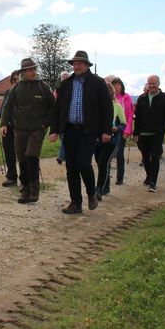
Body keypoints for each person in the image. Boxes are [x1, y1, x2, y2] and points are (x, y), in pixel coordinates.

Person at [49, 51, 113, 214]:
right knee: (71, 167)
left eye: (79, 63)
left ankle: (91, 193)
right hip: (70, 130)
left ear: (86, 65)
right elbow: (57, 108)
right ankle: (76, 203)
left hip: (89, 130)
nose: (75, 66)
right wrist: (54, 130)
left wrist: (106, 130)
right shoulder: (66, 84)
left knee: (83, 163)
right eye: (74, 64)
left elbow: (107, 107)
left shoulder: (97, 83)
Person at [0, 58, 55, 204]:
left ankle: (34, 188)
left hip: (37, 129)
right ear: (23, 72)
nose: (33, 72)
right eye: (30, 69)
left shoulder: (43, 87)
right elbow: (7, 106)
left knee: (31, 156)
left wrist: (46, 124)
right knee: (22, 159)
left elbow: (53, 107)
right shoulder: (17, 88)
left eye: (34, 69)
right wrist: (4, 123)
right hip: (20, 129)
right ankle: (25, 189)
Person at [133, 75, 165, 191]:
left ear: (158, 84)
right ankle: (149, 175)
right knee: (145, 157)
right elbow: (138, 118)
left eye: (154, 83)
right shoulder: (142, 98)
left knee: (155, 157)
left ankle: (153, 183)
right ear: (147, 84)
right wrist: (136, 133)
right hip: (143, 133)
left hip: (157, 133)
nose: (151, 86)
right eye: (149, 83)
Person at [95, 90, 126, 198]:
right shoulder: (96, 105)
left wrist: (117, 128)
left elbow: (123, 123)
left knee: (103, 162)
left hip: (112, 140)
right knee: (100, 163)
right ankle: (106, 185)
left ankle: (99, 189)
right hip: (98, 139)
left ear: (112, 93)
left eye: (108, 92)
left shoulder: (117, 106)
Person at [0, 70, 20, 188]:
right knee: (8, 151)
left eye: (18, 79)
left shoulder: (26, 93)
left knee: (23, 153)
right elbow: (3, 107)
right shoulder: (8, 92)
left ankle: (26, 178)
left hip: (22, 127)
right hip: (9, 126)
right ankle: (11, 177)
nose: (16, 81)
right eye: (14, 79)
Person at [112, 78, 135, 183]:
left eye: (118, 85)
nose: (116, 87)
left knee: (120, 152)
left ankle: (120, 177)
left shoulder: (127, 97)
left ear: (122, 86)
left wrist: (127, 130)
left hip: (122, 126)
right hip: (110, 126)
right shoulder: (109, 97)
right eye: (114, 85)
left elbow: (130, 115)